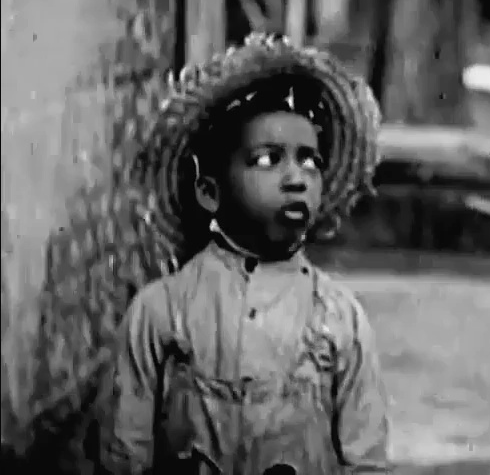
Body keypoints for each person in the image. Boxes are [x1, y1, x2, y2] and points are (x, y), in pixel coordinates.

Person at [97, 32, 390, 474]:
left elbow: (366, 460)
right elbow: (123, 453)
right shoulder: (163, 313)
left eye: (309, 161)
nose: (296, 178)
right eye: (268, 160)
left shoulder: (339, 320)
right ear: (210, 192)